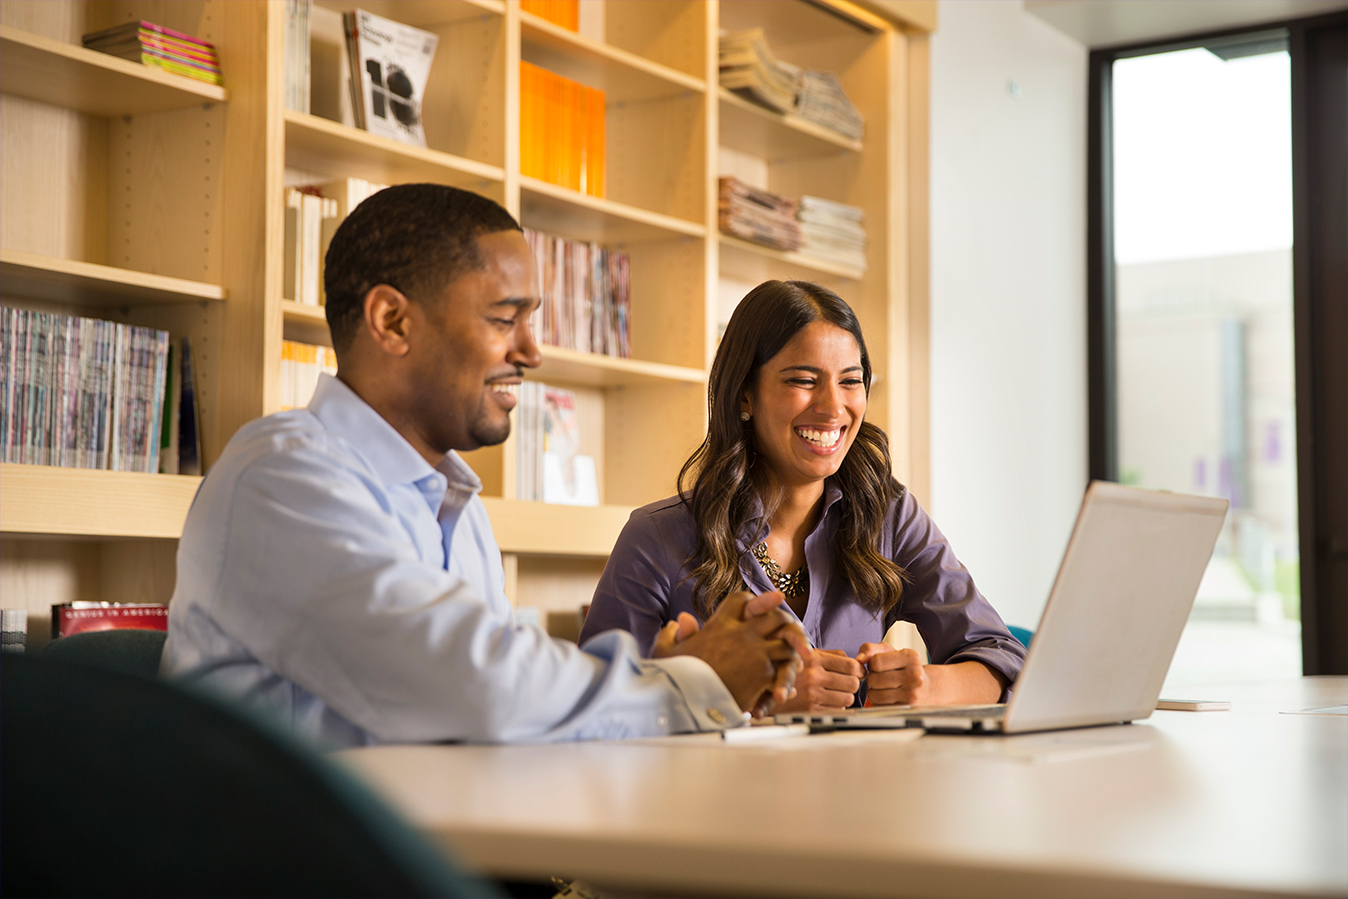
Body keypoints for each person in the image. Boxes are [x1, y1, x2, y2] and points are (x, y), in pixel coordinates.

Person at [161, 184, 808, 747]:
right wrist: (689, 680)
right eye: (506, 318)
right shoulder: (279, 475)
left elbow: (507, 709)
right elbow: (479, 686)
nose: (531, 350)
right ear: (391, 320)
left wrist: (668, 677)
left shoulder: (453, 506)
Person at [579, 280, 1026, 711]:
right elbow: (594, 706)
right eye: (803, 380)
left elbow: (1002, 656)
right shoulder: (656, 537)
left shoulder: (890, 515)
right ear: (744, 396)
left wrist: (926, 686)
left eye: (851, 381)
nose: (833, 407)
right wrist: (757, 699)